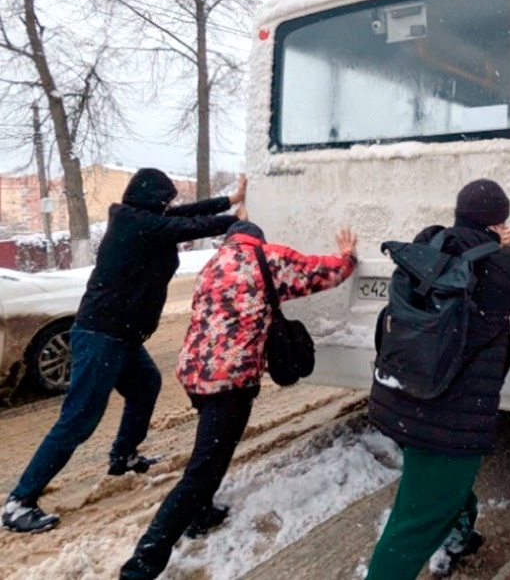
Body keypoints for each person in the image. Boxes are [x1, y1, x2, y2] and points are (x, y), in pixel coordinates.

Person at [2, 169, 245, 534]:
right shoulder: (137, 224)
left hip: (122, 336)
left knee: (146, 384)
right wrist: (233, 221)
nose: (169, 207)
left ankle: (123, 457)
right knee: (78, 420)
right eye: (165, 200)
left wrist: (230, 200)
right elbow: (186, 227)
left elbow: (184, 216)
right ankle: (19, 501)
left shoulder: (142, 219)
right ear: (150, 199)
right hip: (102, 334)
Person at [119, 219, 358, 579]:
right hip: (230, 380)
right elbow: (320, 273)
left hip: (194, 373)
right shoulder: (268, 259)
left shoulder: (212, 265)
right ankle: (144, 561)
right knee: (202, 469)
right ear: (257, 239)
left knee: (210, 448)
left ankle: (201, 514)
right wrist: (347, 256)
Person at [365, 179, 510, 580]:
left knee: (445, 486)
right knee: (413, 523)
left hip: (402, 395)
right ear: (499, 222)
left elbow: (465, 258)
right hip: (450, 417)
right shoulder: (502, 264)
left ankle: (458, 535)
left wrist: (490, 242)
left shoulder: (427, 244)